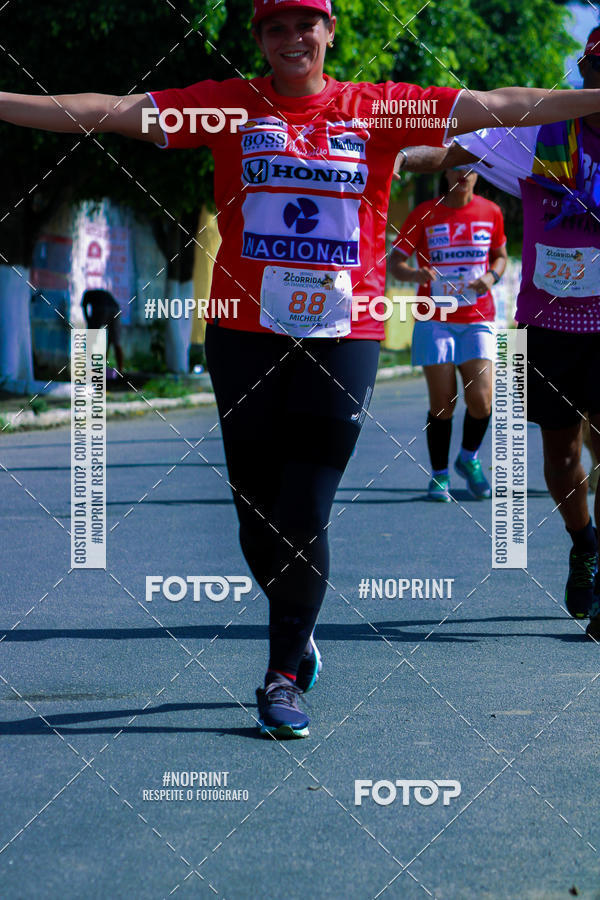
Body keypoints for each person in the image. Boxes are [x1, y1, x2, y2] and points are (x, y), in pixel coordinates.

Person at [8, 2, 600, 735]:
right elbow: (108, 110)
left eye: (306, 26)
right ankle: (301, 622)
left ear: (330, 33)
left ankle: (283, 672)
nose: (294, 40)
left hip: (343, 334)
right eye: (276, 28)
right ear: (259, 39)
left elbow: (505, 104)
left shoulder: (378, 109)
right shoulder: (228, 108)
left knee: (303, 509)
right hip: (243, 332)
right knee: (256, 514)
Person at [395, 27, 600, 639]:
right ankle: (583, 542)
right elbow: (450, 149)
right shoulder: (542, 136)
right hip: (550, 326)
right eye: (597, 75)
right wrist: (379, 156)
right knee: (562, 457)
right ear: (586, 76)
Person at [389, 166, 507, 502]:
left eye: (470, 169)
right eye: (455, 168)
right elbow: (396, 261)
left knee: (482, 401)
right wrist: (414, 275)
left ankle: (468, 458)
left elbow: (499, 257)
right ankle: (439, 475)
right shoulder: (424, 213)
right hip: (435, 317)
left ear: (478, 175)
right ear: (444, 173)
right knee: (443, 403)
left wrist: (492, 278)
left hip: (478, 316)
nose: (462, 174)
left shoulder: (491, 211)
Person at [81, 288, 125, 375]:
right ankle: (121, 370)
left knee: (90, 340)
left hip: (102, 308)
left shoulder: (86, 295)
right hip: (115, 310)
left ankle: (90, 367)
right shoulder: (100, 294)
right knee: (116, 341)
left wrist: (89, 322)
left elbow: (85, 309)